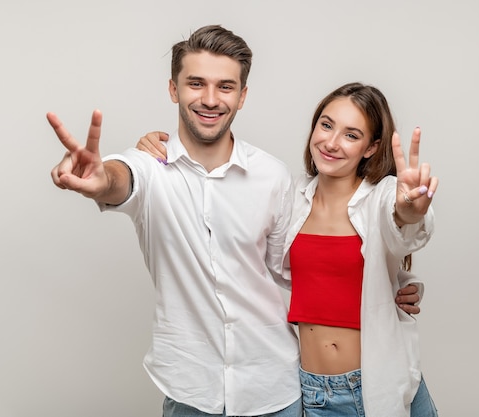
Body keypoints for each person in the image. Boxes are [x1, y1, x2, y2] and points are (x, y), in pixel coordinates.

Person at [48, 25, 421, 417]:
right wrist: (101, 179)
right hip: (190, 388)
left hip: (276, 389)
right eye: (195, 83)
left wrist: (388, 288)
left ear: (242, 96)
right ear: (174, 89)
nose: (210, 99)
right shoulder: (149, 166)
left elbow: (298, 266)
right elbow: (120, 180)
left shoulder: (274, 177)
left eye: (225, 86)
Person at [284, 82, 439, 416]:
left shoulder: (382, 195)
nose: (331, 142)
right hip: (315, 392)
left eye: (351, 135)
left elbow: (403, 227)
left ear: (372, 147)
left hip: (378, 383)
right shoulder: (290, 197)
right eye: (326, 125)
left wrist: (411, 211)